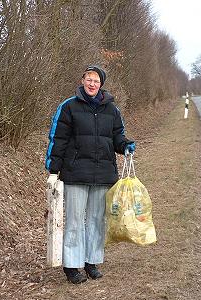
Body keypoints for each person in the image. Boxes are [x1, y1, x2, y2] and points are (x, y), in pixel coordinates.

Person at [45, 65, 135, 284]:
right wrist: (53, 169)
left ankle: (91, 262)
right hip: (76, 173)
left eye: (96, 80)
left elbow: (117, 137)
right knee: (75, 220)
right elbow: (58, 139)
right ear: (83, 81)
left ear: (101, 84)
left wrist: (125, 145)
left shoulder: (112, 110)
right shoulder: (68, 106)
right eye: (88, 79)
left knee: (96, 220)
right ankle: (72, 266)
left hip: (103, 174)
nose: (92, 83)